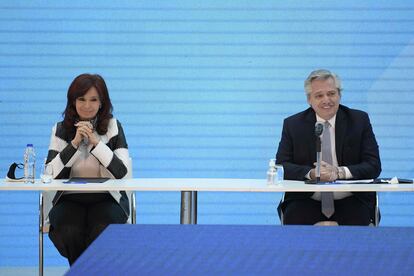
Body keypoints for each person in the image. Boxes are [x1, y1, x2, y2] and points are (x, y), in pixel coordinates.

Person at [45, 73, 131, 265]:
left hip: (108, 197)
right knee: (69, 229)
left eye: (93, 99)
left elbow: (122, 172)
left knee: (102, 228)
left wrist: (95, 143)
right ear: (73, 102)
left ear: (102, 103)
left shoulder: (113, 127)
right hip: (69, 198)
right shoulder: (60, 129)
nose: (87, 105)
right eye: (81, 99)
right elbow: (49, 174)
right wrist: (74, 143)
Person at [276, 69, 381, 225]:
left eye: (331, 93)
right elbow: (281, 165)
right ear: (309, 100)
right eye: (319, 95)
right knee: (295, 223)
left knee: (359, 226)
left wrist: (339, 172)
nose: (327, 100)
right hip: (306, 200)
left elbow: (373, 165)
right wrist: (311, 173)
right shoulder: (293, 124)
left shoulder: (358, 120)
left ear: (339, 95)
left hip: (351, 199)